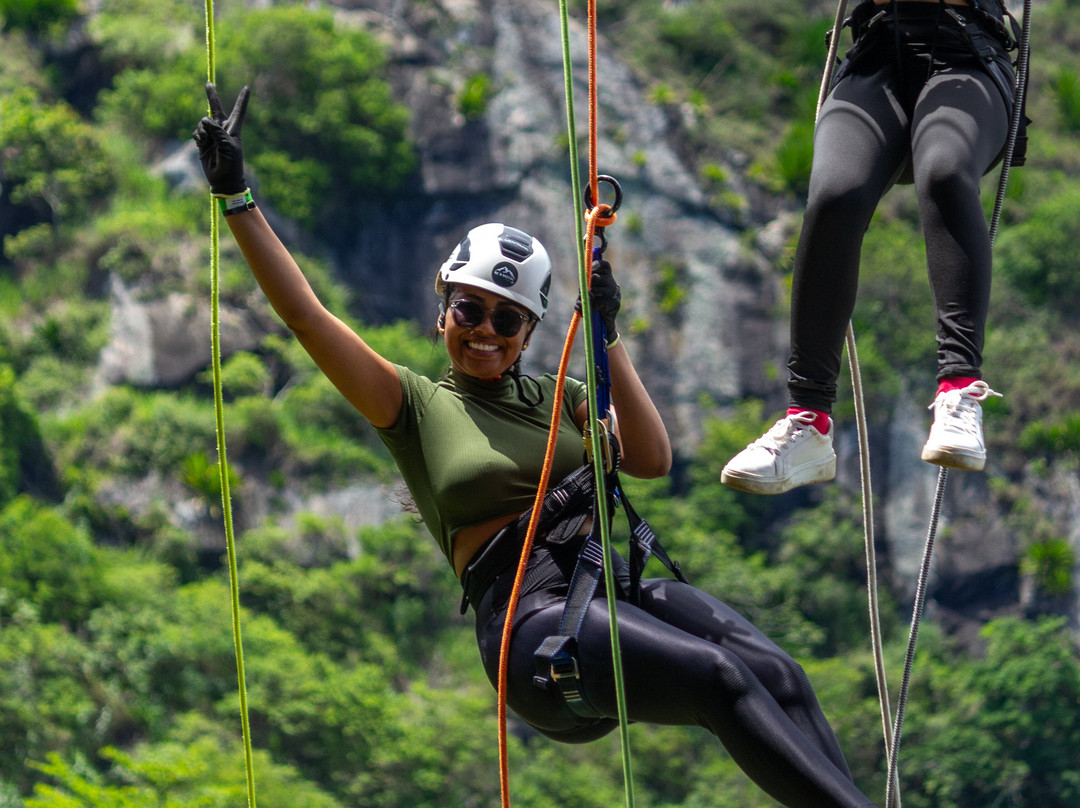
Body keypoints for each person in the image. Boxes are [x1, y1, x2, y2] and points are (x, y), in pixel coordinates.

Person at [194, 82, 879, 808]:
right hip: (532, 630)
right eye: (470, 309)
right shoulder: (413, 406)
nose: (485, 331)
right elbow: (306, 316)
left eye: (507, 319)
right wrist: (237, 197)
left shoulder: (564, 399)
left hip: (608, 589)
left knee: (780, 676)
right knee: (719, 678)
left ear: (528, 332)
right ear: (443, 310)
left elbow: (651, 459)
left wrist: (607, 332)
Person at [722, 0, 1018, 495]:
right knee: (835, 195)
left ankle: (959, 391)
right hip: (877, 54)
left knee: (945, 173)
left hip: (968, 56)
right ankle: (808, 421)